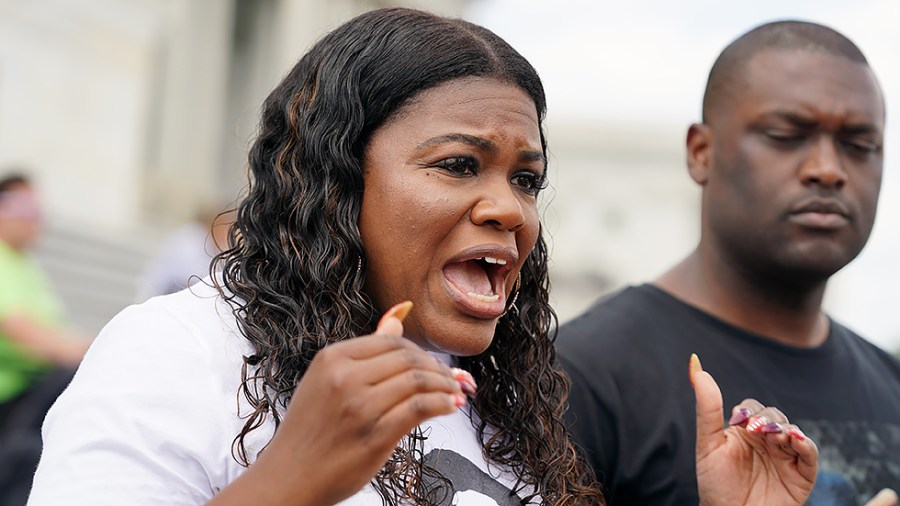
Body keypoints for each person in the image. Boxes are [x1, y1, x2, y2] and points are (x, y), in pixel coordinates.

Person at [29, 9, 817, 505]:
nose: (510, 208)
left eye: (528, 178)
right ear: (338, 180)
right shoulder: (178, 350)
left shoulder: (515, 407)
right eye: (459, 165)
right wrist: (286, 484)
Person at [558, 20, 899, 506]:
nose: (828, 168)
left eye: (860, 145)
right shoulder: (582, 376)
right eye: (786, 134)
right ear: (701, 152)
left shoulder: (892, 385)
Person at [0, 172, 91, 504]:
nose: (35, 220)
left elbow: (55, 331)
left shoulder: (25, 266)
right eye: (25, 209)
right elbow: (21, 330)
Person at [135, 204, 234, 301]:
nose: (227, 232)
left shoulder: (209, 243)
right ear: (216, 222)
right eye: (226, 225)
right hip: (165, 295)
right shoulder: (192, 238)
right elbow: (190, 279)